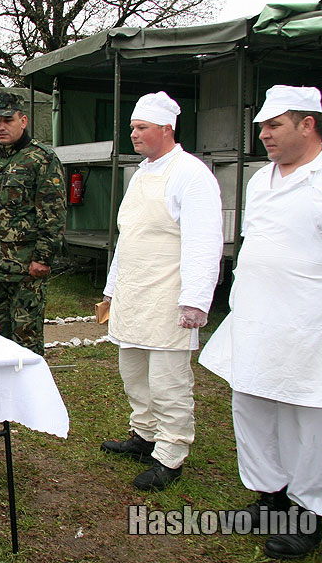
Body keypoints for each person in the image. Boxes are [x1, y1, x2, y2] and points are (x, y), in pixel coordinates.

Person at [199, 85, 322, 559]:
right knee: (251, 401)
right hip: (256, 312)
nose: (263, 134)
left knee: (310, 411)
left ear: (307, 124)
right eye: (262, 126)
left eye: (274, 126)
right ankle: (268, 496)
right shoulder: (259, 179)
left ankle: (307, 511)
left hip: (311, 316)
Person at [99, 91, 223, 491]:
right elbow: (128, 237)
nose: (133, 134)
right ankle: (145, 433)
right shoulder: (140, 173)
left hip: (169, 295)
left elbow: (205, 241)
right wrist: (112, 289)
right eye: (133, 127)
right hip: (135, 292)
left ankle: (171, 452)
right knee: (133, 372)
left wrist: (195, 300)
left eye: (141, 127)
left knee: (169, 380)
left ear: (167, 129)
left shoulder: (191, 174)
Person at [0, 92, 66, 355]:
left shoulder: (41, 159)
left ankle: (30, 393)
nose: (0, 126)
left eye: (7, 120)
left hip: (25, 270)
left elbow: (53, 214)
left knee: (26, 340)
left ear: (23, 121)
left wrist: (43, 257)